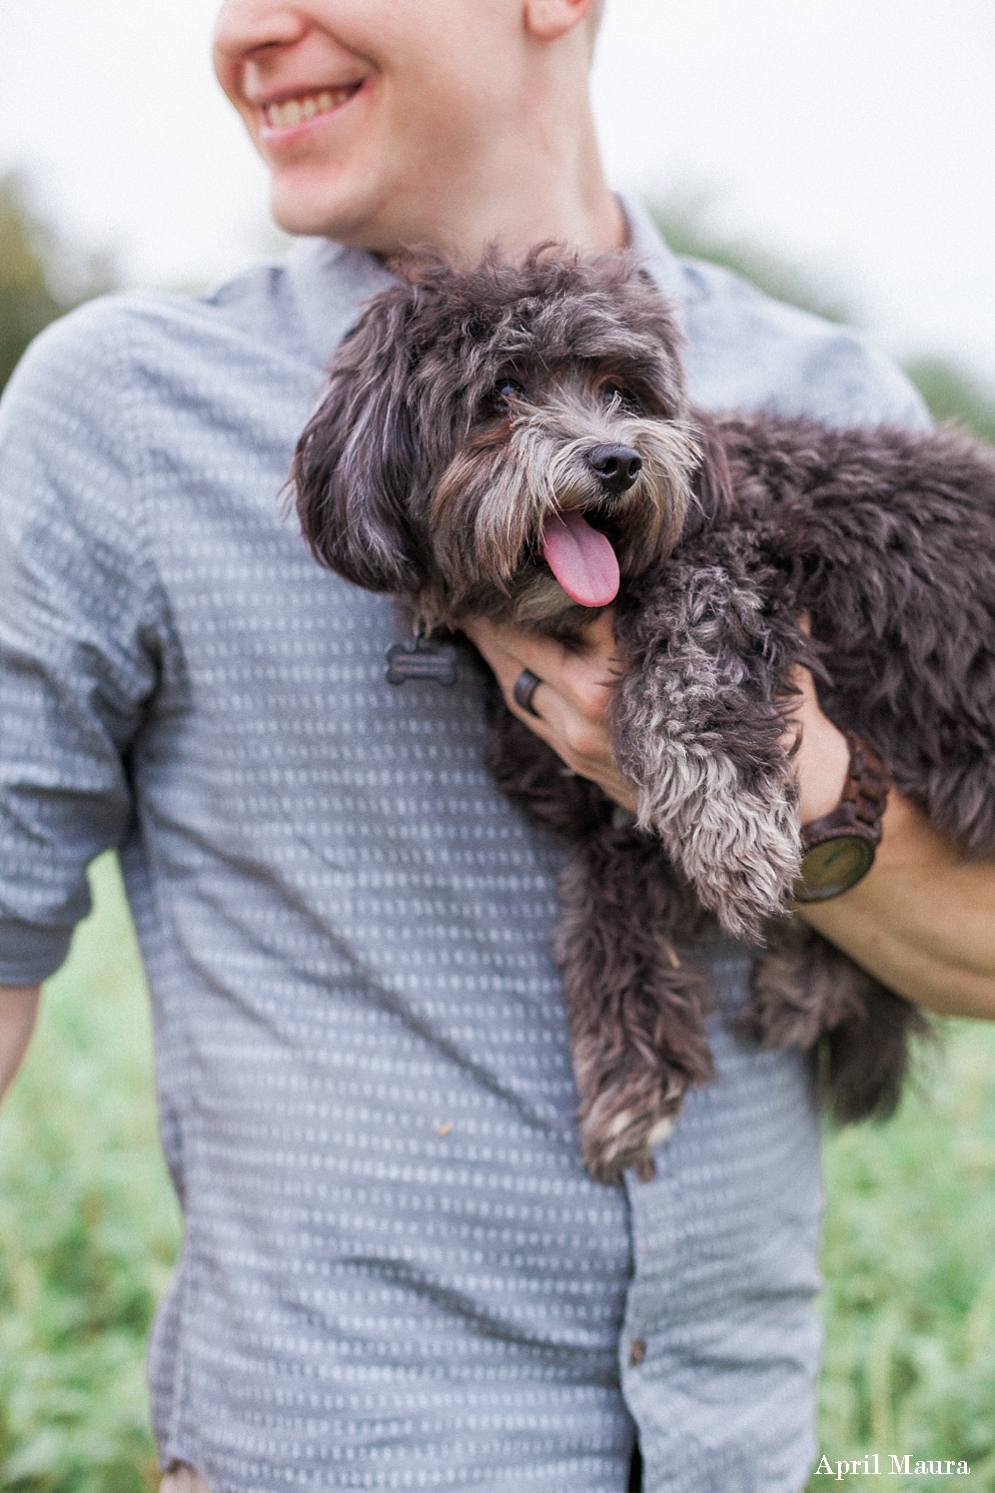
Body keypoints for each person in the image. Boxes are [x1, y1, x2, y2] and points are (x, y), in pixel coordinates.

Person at [1, 2, 993, 1489]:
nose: (249, 31)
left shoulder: (838, 394)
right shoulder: (129, 414)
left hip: (741, 1448)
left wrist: (773, 777)